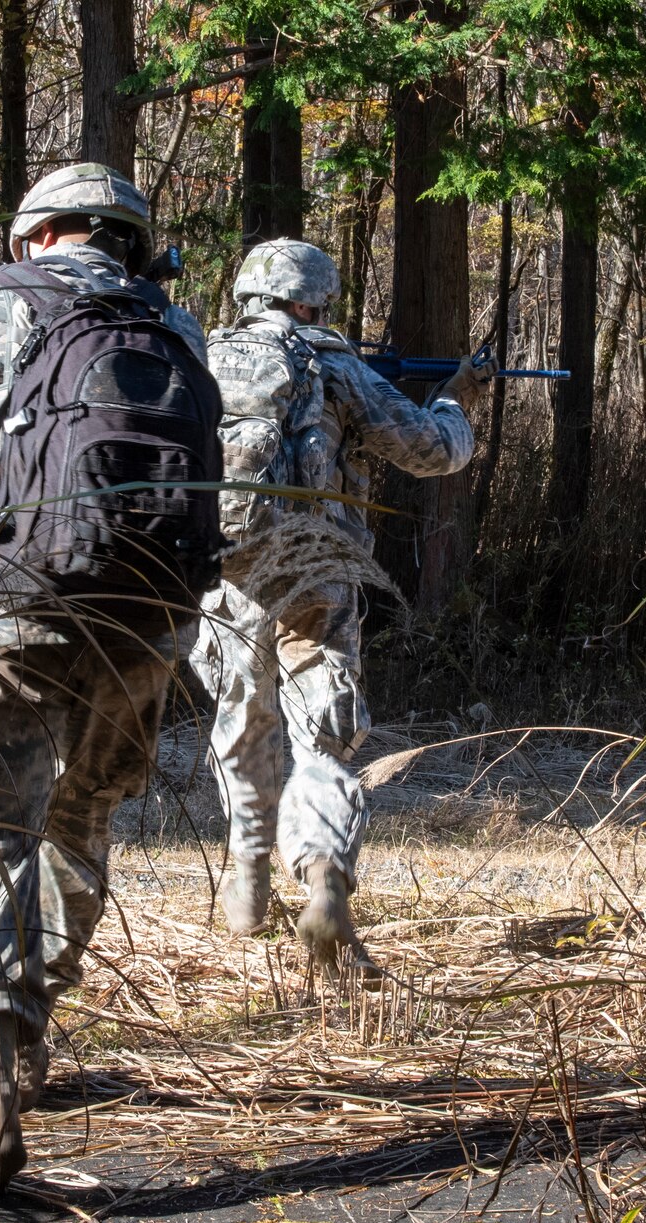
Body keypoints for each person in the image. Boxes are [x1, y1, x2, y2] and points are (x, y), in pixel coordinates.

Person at [0, 163, 211, 1202]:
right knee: (80, 815)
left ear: (33, 234)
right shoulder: (179, 329)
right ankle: (31, 1028)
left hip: (4, 603)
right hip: (151, 617)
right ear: (129, 243)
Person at [192, 239, 488, 976]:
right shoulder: (334, 365)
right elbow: (433, 450)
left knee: (241, 725)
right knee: (322, 740)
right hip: (315, 575)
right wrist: (458, 399)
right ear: (314, 301)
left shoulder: (199, 358)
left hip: (220, 571)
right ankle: (323, 872)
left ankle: (247, 882)